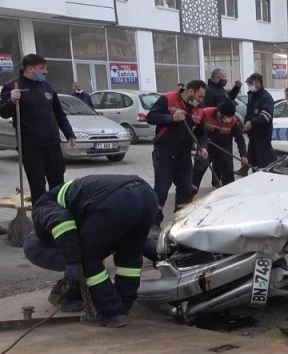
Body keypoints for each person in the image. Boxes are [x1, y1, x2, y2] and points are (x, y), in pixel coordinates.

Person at [23, 175, 158, 327]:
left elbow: (62, 224)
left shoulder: (42, 207)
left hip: (117, 199)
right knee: (130, 255)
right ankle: (124, 304)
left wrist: (73, 261)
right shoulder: (75, 197)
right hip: (147, 195)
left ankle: (111, 312)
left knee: (87, 257)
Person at [0, 54, 76, 204]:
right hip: (30, 146)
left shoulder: (47, 86)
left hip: (52, 143)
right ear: (31, 69)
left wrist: (69, 133)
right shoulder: (13, 86)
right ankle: (40, 214)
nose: (45, 72)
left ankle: (58, 212)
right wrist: (12, 101)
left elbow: (59, 113)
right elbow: (3, 112)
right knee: (37, 185)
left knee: (58, 183)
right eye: (42, 68)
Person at [146, 79, 208, 232]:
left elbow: (201, 133)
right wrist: (171, 118)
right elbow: (151, 117)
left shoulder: (199, 109)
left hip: (184, 155)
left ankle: (179, 223)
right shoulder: (168, 99)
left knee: (186, 191)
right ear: (190, 91)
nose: (201, 100)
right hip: (164, 152)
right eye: (199, 96)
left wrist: (202, 147)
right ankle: (153, 223)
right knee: (161, 189)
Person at [192, 99, 248, 192]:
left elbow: (240, 139)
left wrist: (243, 155)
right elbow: (196, 130)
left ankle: (228, 191)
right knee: (199, 167)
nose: (227, 120)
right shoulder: (205, 113)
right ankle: (191, 190)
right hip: (206, 145)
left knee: (228, 170)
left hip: (223, 145)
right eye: (225, 117)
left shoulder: (233, 122)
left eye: (229, 117)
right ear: (219, 112)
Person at [240, 73, 275, 173]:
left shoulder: (266, 97)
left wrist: (251, 122)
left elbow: (266, 116)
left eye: (250, 83)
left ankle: (263, 179)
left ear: (258, 82)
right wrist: (245, 124)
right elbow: (250, 113)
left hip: (262, 136)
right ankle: (251, 174)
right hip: (253, 136)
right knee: (253, 162)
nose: (249, 86)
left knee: (262, 163)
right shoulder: (253, 95)